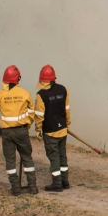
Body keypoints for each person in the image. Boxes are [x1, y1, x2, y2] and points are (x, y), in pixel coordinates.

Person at [0, 65, 37, 196]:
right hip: (21, 131)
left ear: (4, 80)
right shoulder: (25, 93)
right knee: (27, 158)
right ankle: (32, 187)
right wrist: (27, 126)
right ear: (18, 79)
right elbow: (31, 113)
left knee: (10, 160)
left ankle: (15, 188)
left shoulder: (0, 94)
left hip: (7, 133)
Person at [33, 64, 72, 192]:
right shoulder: (63, 89)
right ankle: (65, 181)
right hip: (63, 130)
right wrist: (67, 124)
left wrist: (38, 131)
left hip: (50, 132)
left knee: (54, 157)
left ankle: (57, 184)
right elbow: (67, 109)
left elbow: (39, 116)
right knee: (62, 155)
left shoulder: (41, 95)